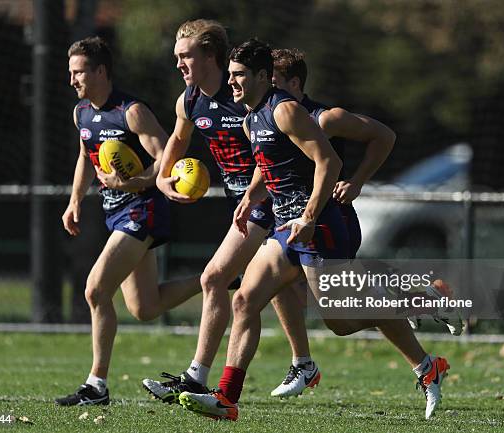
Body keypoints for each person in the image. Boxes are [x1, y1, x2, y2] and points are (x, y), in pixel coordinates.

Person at [178, 39, 451, 421]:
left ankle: (421, 321)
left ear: (261, 76)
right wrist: (251, 198)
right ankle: (226, 398)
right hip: (284, 227)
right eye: (231, 76)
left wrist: (308, 216)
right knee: (243, 300)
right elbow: (267, 162)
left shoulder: (285, 110)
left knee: (341, 321)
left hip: (319, 225)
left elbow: (330, 161)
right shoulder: (249, 116)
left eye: (239, 76)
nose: (232, 84)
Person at [142, 19, 323, 403]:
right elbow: (177, 139)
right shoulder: (189, 99)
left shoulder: (242, 92)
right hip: (245, 205)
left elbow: (269, 147)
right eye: (176, 56)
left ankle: (197, 376)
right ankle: (303, 361)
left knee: (215, 278)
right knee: (297, 296)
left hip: (271, 202)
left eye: (185, 55)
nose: (178, 64)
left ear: (210, 56)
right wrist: (160, 179)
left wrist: (256, 192)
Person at [270, 48, 464, 339]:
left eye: (273, 83)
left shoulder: (324, 119)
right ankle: (303, 363)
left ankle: (422, 303)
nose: (267, 91)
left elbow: (384, 136)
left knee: (341, 321)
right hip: (294, 224)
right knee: (277, 292)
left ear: (295, 84)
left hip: (331, 223)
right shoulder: (267, 118)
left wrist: (357, 181)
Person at [55, 36, 201, 406]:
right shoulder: (81, 113)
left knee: (95, 290)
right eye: (70, 73)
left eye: (79, 72)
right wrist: (75, 201)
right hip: (115, 211)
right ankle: (220, 277)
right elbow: (86, 156)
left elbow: (165, 157)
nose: (72, 80)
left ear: (101, 71)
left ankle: (96, 386)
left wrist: (134, 182)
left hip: (143, 209)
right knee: (145, 307)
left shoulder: (131, 111)